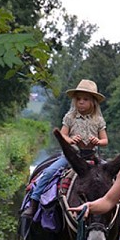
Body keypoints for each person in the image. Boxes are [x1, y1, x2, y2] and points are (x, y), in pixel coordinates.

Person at [24, 79, 108, 217]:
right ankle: (34, 202)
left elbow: (105, 140)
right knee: (49, 172)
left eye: (85, 99)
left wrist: (98, 141)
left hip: (92, 157)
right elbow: (63, 135)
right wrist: (70, 140)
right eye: (78, 99)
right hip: (72, 156)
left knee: (113, 176)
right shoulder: (70, 117)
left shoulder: (98, 120)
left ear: (93, 102)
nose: (81, 102)